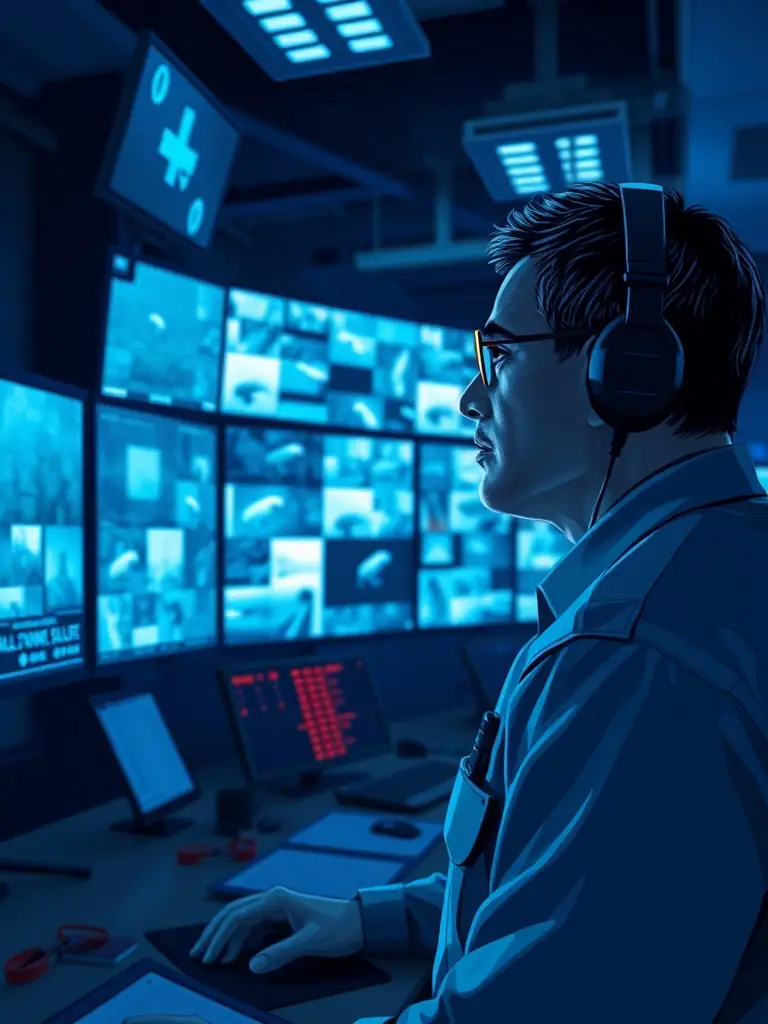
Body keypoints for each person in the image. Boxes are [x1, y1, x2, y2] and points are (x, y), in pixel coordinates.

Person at [125, 182, 768, 1024]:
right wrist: (368, 917)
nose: (470, 399)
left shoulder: (638, 652)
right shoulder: (715, 568)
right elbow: (581, 894)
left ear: (627, 369)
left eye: (497, 357)